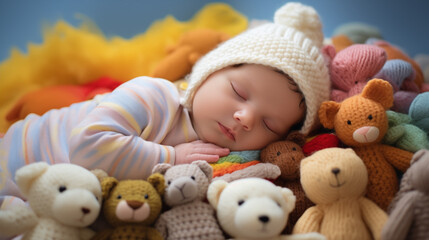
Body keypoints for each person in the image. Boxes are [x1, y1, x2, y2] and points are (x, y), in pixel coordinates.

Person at [0, 2, 330, 203]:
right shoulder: (155, 95)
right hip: (15, 161)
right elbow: (87, 145)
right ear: (206, 73)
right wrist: (169, 156)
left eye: (269, 124)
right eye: (239, 93)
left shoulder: (230, 160)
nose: (245, 117)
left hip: (46, 198)